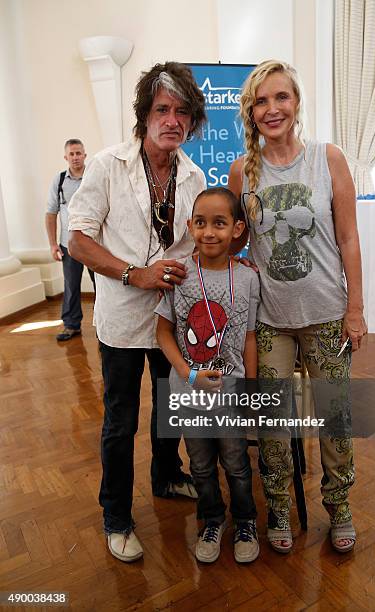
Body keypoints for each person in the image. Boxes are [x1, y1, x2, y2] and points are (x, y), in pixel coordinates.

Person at [68, 62, 207, 562]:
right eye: (162, 109)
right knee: (120, 421)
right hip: (123, 323)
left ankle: (167, 476)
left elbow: (194, 246)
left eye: (182, 112)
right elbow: (78, 239)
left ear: (192, 121)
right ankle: (117, 516)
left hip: (171, 322)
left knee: (170, 409)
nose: (172, 120)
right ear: (143, 115)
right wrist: (135, 274)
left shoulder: (194, 176)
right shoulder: (107, 165)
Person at [228, 59, 367, 554]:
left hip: (328, 313)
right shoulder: (242, 169)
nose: (272, 109)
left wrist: (356, 308)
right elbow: (235, 241)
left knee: (334, 418)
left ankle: (340, 504)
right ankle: (280, 506)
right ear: (251, 111)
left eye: (280, 97)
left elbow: (348, 238)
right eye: (261, 101)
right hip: (271, 320)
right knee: (272, 420)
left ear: (296, 103)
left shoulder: (328, 158)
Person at [156, 187, 260, 563]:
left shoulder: (248, 278)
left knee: (235, 461)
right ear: (189, 226)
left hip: (230, 390)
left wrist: (249, 387)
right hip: (187, 390)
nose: (209, 232)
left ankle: (245, 520)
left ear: (237, 229)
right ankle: (212, 520)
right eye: (200, 223)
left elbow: (249, 337)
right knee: (200, 464)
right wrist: (188, 374)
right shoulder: (179, 274)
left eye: (220, 223)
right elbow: (163, 332)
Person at [45, 139, 95, 341]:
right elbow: (51, 213)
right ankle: (71, 325)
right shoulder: (58, 181)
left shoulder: (93, 177)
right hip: (69, 245)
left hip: (94, 244)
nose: (75, 157)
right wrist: (53, 244)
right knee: (71, 286)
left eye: (78, 153)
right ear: (66, 157)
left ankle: (104, 327)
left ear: (85, 155)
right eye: (71, 154)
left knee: (102, 286)